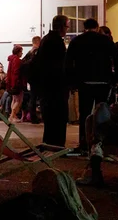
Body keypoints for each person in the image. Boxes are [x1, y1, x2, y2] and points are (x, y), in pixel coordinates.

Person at [65, 18, 118, 151]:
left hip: (85, 82)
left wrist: (72, 81)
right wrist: (115, 78)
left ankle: (84, 142)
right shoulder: (105, 40)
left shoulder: (77, 41)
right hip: (103, 82)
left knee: (85, 113)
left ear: (84, 27)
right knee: (102, 113)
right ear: (96, 27)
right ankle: (101, 142)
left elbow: (68, 62)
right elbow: (117, 59)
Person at [37, 15, 71, 147]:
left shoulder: (47, 39)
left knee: (50, 119)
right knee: (58, 117)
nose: (67, 30)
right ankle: (56, 145)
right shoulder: (56, 42)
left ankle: (50, 143)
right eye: (67, 26)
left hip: (47, 87)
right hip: (55, 88)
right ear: (62, 26)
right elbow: (59, 66)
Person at [21, 36, 42, 124]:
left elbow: (23, 63)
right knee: (39, 98)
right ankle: (34, 117)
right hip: (38, 78)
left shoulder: (29, 52)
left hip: (31, 78)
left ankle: (33, 116)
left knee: (32, 98)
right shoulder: (38, 52)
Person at [6, 45, 26, 123]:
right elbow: (16, 73)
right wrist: (17, 83)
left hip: (11, 83)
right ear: (18, 52)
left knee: (14, 99)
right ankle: (12, 116)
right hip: (16, 83)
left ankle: (13, 116)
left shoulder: (11, 59)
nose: (22, 53)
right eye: (21, 51)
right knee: (19, 100)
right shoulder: (17, 60)